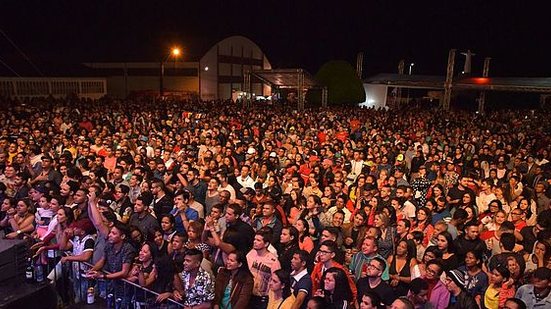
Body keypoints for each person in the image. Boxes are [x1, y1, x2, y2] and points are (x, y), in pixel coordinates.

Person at [247, 229, 281, 309]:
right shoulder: (250, 254)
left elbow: (276, 281)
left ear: (266, 244)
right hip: (248, 294)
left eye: (258, 240)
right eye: (254, 239)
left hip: (262, 299)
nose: (254, 242)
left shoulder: (273, 261)